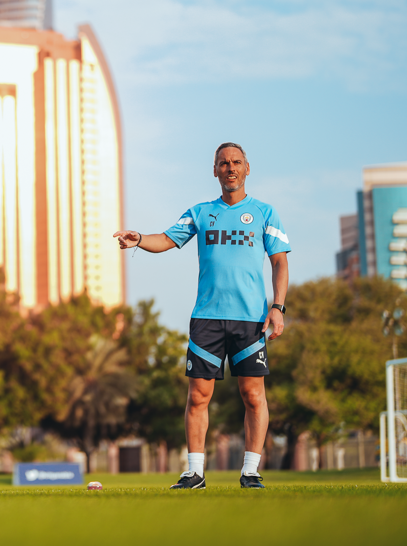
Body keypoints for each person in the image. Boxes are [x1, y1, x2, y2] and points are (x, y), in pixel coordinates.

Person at [113, 142, 290, 489]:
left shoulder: (265, 213)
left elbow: (280, 261)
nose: (230, 168)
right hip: (207, 318)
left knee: (253, 396)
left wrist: (278, 306)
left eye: (236, 162)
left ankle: (250, 471)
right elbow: (165, 239)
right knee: (197, 397)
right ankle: (194, 472)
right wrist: (138, 239)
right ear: (215, 170)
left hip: (251, 320)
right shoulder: (200, 212)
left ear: (247, 168)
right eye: (223, 163)